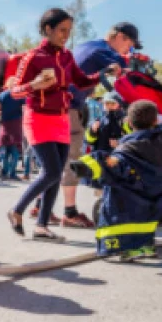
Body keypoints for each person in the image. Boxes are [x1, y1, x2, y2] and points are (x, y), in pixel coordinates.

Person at [7, 8, 121, 243]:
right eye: (62, 30)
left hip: (61, 119)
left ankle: (41, 226)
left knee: (57, 173)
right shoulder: (32, 57)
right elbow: (14, 92)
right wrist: (34, 85)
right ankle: (16, 210)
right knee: (50, 171)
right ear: (48, 29)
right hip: (38, 118)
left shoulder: (67, 56)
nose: (66, 35)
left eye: (69, 31)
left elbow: (81, 81)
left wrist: (103, 73)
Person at [59, 22, 138, 228]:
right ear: (119, 36)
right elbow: (127, 69)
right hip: (68, 109)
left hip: (60, 106)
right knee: (72, 158)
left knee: (56, 159)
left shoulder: (88, 46)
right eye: (129, 44)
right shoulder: (104, 51)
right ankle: (70, 212)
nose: (129, 49)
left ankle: (41, 205)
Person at [71, 100, 161, 261]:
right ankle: (146, 245)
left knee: (120, 205)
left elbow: (111, 164)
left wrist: (86, 165)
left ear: (130, 122)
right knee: (146, 219)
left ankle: (132, 249)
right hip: (156, 200)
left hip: (130, 203)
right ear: (156, 120)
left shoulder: (127, 150)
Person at [0, 78, 26, 180]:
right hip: (16, 124)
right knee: (15, 151)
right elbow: (25, 110)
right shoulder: (20, 95)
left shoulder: (1, 95)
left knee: (5, 151)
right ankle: (12, 174)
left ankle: (4, 173)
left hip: (5, 125)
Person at [85, 91, 126, 155]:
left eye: (113, 104)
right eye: (106, 103)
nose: (109, 106)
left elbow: (132, 139)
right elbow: (89, 141)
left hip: (119, 157)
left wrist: (119, 144)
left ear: (119, 104)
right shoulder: (98, 120)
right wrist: (92, 131)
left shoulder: (125, 120)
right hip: (100, 157)